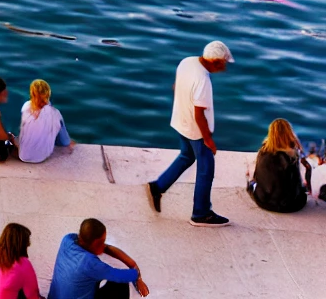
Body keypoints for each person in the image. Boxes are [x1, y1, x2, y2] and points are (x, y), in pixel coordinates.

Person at [148, 40, 233, 226]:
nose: (225, 65)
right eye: (224, 62)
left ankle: (158, 186)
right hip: (196, 131)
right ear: (215, 61)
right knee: (206, 170)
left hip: (181, 121)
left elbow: (176, 86)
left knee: (186, 156)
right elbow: (199, 114)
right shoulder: (203, 80)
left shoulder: (187, 62)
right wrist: (208, 139)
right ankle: (201, 213)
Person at [48, 218, 149, 299]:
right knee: (121, 286)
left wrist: (103, 247)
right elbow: (128, 275)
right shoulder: (91, 264)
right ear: (94, 243)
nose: (104, 245)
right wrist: (137, 275)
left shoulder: (67, 239)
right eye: (101, 242)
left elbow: (105, 247)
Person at [248, 118, 307, 213]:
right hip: (293, 204)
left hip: (265, 202)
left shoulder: (263, 152)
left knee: (251, 180)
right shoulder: (293, 155)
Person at [0, 222, 41, 299]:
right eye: (27, 241)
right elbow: (32, 293)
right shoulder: (23, 263)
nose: (29, 244)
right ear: (21, 243)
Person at [18, 79, 75, 163]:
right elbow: (64, 142)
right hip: (42, 156)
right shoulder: (55, 113)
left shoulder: (25, 107)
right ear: (48, 94)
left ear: (32, 94)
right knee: (58, 130)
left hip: (23, 155)